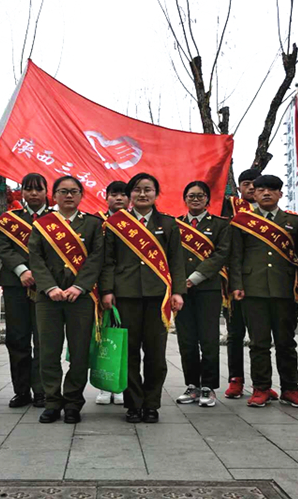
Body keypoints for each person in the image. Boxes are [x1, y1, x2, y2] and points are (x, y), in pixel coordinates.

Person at [100, 172, 186, 423]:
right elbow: (108, 261)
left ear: (156, 194)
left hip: (158, 297)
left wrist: (178, 291)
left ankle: (151, 404)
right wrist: (107, 290)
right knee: (128, 354)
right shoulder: (116, 223)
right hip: (125, 296)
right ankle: (133, 404)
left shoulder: (168, 223)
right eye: (137, 189)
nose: (142, 194)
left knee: (156, 355)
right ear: (130, 195)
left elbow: (176, 261)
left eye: (148, 189)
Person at [229, 174, 298, 409]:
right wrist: (236, 285)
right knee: (259, 343)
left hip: (285, 289)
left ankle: (290, 388)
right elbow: (235, 256)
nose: (266, 193)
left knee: (286, 342)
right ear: (253, 194)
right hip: (252, 289)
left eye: (272, 189)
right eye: (261, 189)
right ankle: (261, 388)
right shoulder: (242, 221)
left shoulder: (294, 221)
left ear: (280, 194)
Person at [28, 176, 104, 424]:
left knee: (79, 352)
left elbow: (96, 258)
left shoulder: (93, 224)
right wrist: (49, 287)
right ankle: (52, 401)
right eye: (63, 191)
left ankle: (73, 402)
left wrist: (79, 287)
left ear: (81, 195)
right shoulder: (42, 224)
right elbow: (35, 258)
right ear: (54, 196)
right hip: (48, 298)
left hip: (80, 299)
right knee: (48, 351)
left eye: (73, 191)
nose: (68, 196)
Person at [220, 168, 280, 401]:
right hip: (234, 282)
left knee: (262, 337)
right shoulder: (229, 208)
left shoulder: (270, 213)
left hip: (264, 283)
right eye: (247, 184)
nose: (252, 187)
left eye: (256, 184)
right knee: (235, 333)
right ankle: (236, 379)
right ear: (239, 187)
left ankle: (262, 384)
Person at [0, 173, 50, 409]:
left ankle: (42, 390)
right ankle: (21, 391)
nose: (33, 193)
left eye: (38, 189)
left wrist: (41, 274)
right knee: (17, 339)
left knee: (44, 340)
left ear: (46, 191)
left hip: (47, 288)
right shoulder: (10, 219)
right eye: (28, 189)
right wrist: (22, 270)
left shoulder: (56, 220)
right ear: (22, 192)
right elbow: (3, 248)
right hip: (16, 285)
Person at [174, 181, 230, 408]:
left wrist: (195, 277)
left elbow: (221, 254)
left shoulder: (220, 225)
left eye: (200, 196)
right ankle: (192, 385)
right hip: (181, 291)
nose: (195, 199)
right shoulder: (175, 225)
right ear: (185, 199)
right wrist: (179, 282)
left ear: (207, 199)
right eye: (191, 196)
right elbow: (170, 255)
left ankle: (208, 386)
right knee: (186, 340)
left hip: (208, 289)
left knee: (208, 339)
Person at [94, 180, 128, 406]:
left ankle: (121, 384)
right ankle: (104, 385)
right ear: (106, 197)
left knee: (125, 339)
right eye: (114, 194)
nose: (119, 198)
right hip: (99, 289)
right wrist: (104, 288)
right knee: (103, 338)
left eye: (123, 194)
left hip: (128, 289)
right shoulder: (97, 222)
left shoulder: (135, 224)